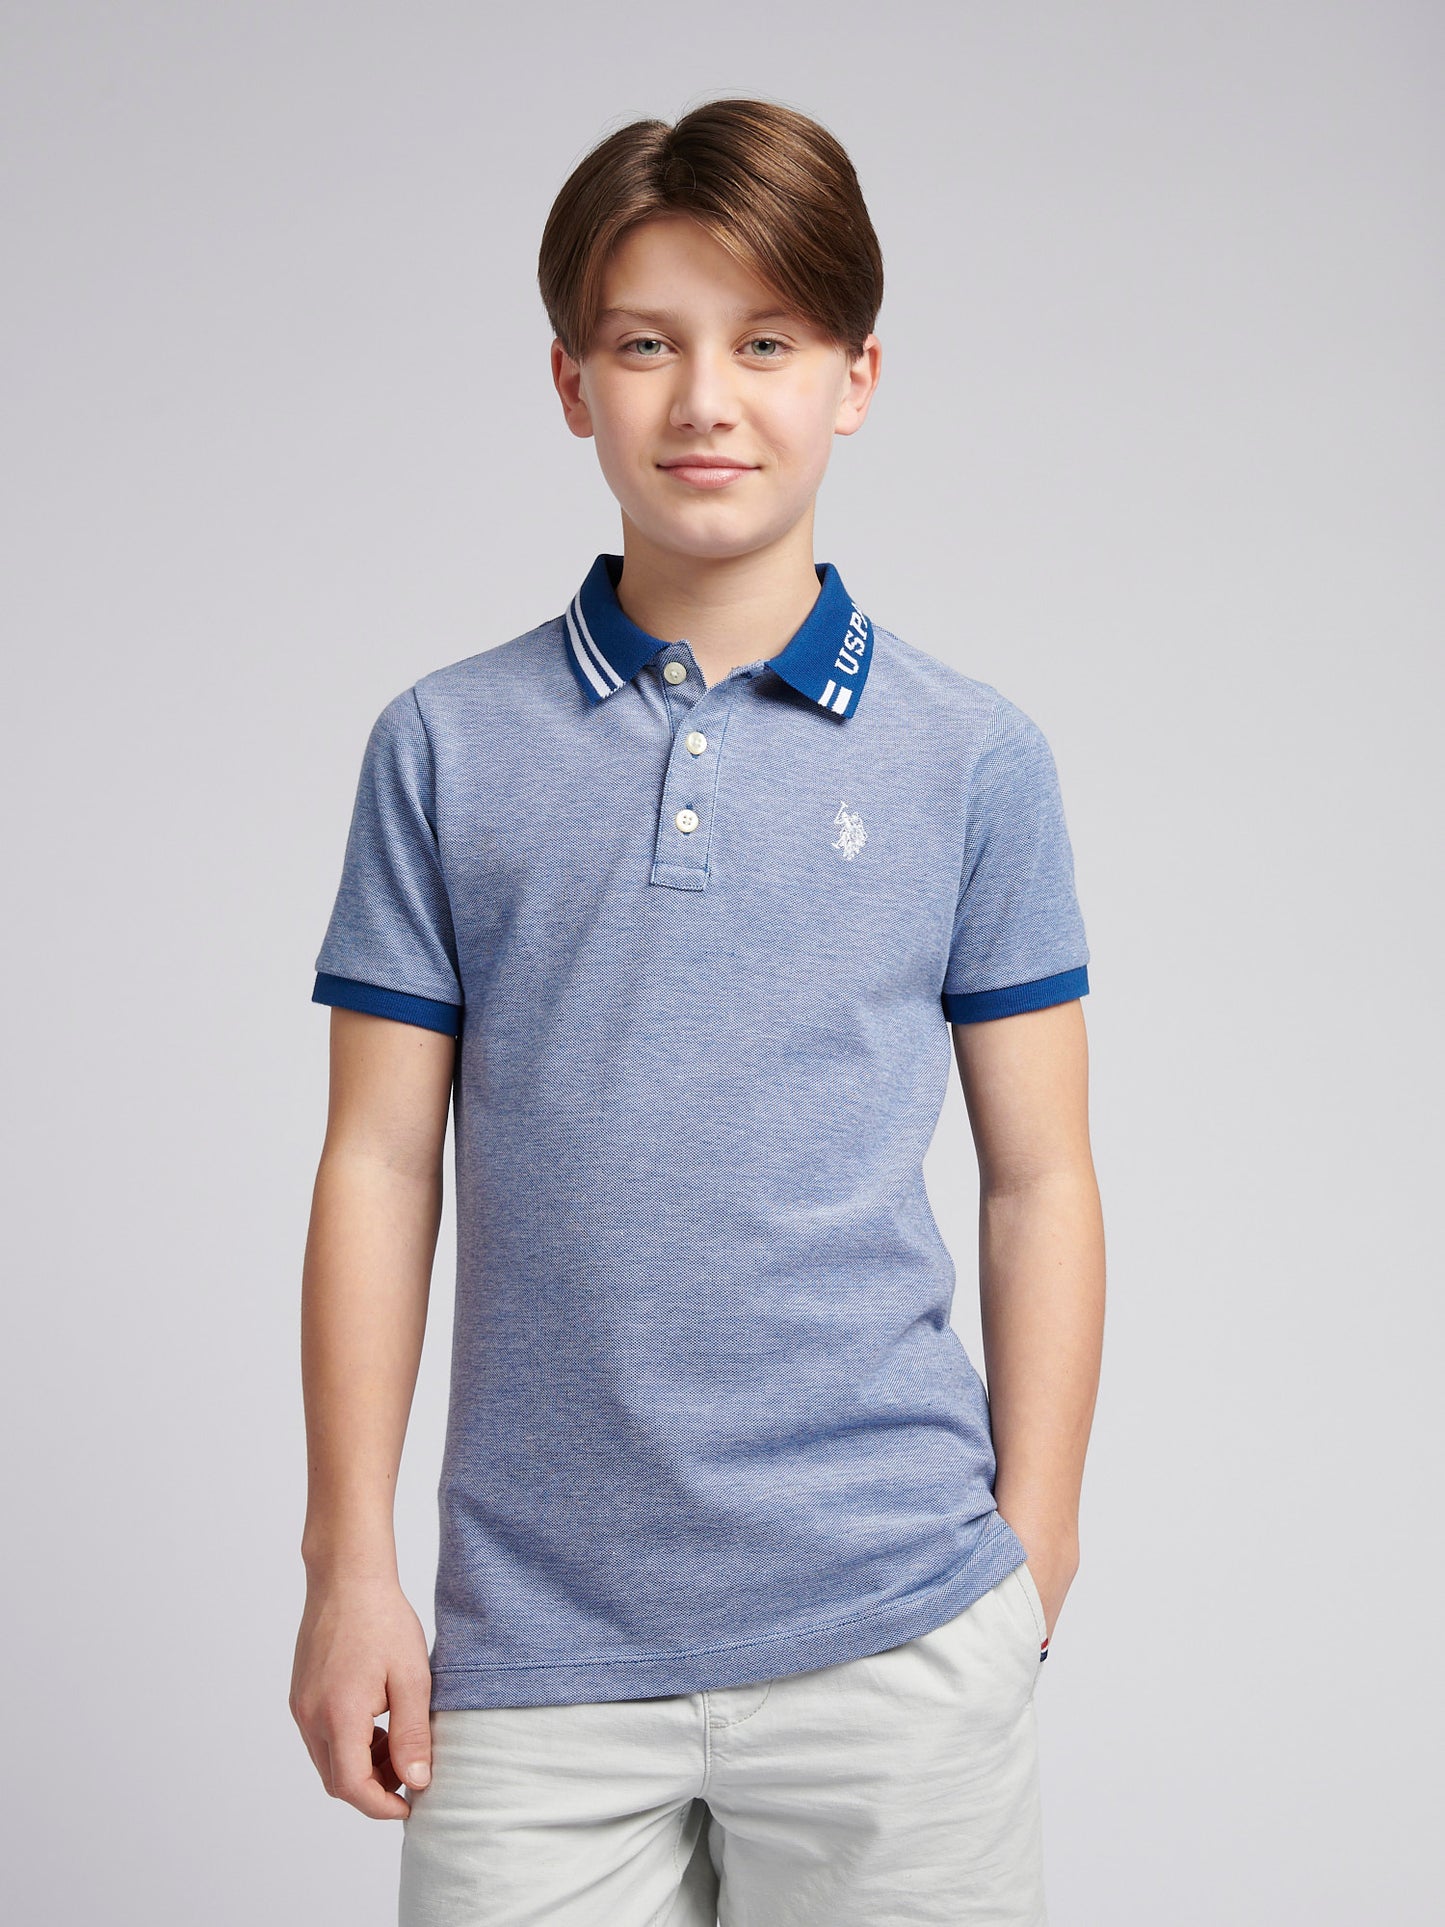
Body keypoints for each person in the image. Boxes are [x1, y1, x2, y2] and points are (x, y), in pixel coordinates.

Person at [290, 95, 1105, 1927]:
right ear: (571, 382)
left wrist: (1032, 1550)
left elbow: (1040, 1176)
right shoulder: (444, 745)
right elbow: (376, 1166)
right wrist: (350, 1566)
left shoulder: (973, 757)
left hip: (895, 1626)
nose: (705, 401)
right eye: (646, 345)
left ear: (856, 378)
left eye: (768, 344)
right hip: (533, 1652)